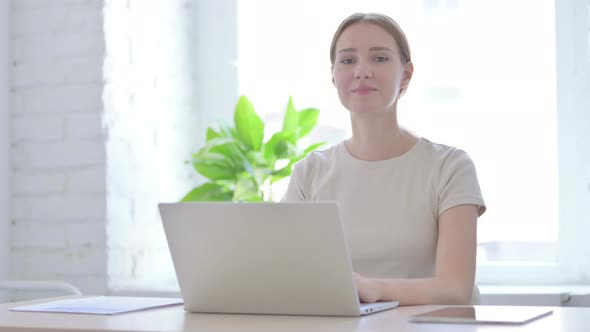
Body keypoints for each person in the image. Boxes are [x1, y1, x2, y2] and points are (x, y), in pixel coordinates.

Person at [281, 12, 486, 306]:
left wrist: (373, 288)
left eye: (379, 58)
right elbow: (286, 274)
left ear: (406, 74)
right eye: (348, 60)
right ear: (333, 75)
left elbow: (455, 288)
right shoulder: (310, 172)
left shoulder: (450, 167)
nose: (362, 71)